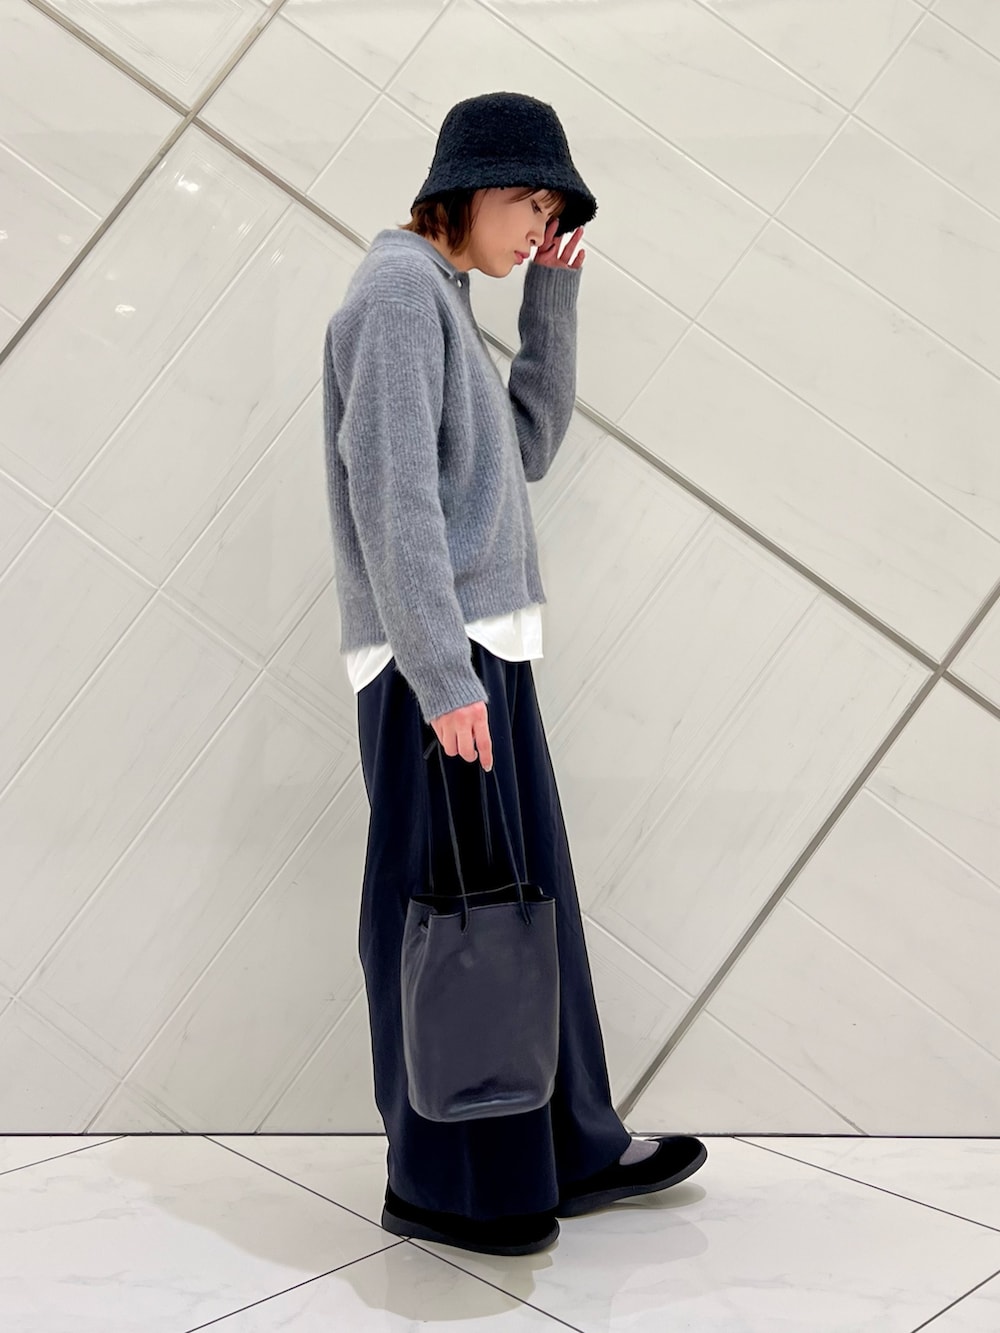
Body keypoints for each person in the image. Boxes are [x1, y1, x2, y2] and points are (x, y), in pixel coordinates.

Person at [321, 91, 707, 1258]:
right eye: (531, 204)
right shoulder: (397, 294)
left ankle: (567, 1146)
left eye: (551, 212)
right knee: (448, 923)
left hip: (484, 653)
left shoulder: (443, 298)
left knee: (520, 911)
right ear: (471, 186)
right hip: (437, 666)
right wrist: (444, 678)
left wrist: (553, 298)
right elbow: (393, 503)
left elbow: (524, 447)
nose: (541, 226)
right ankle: (447, 1186)